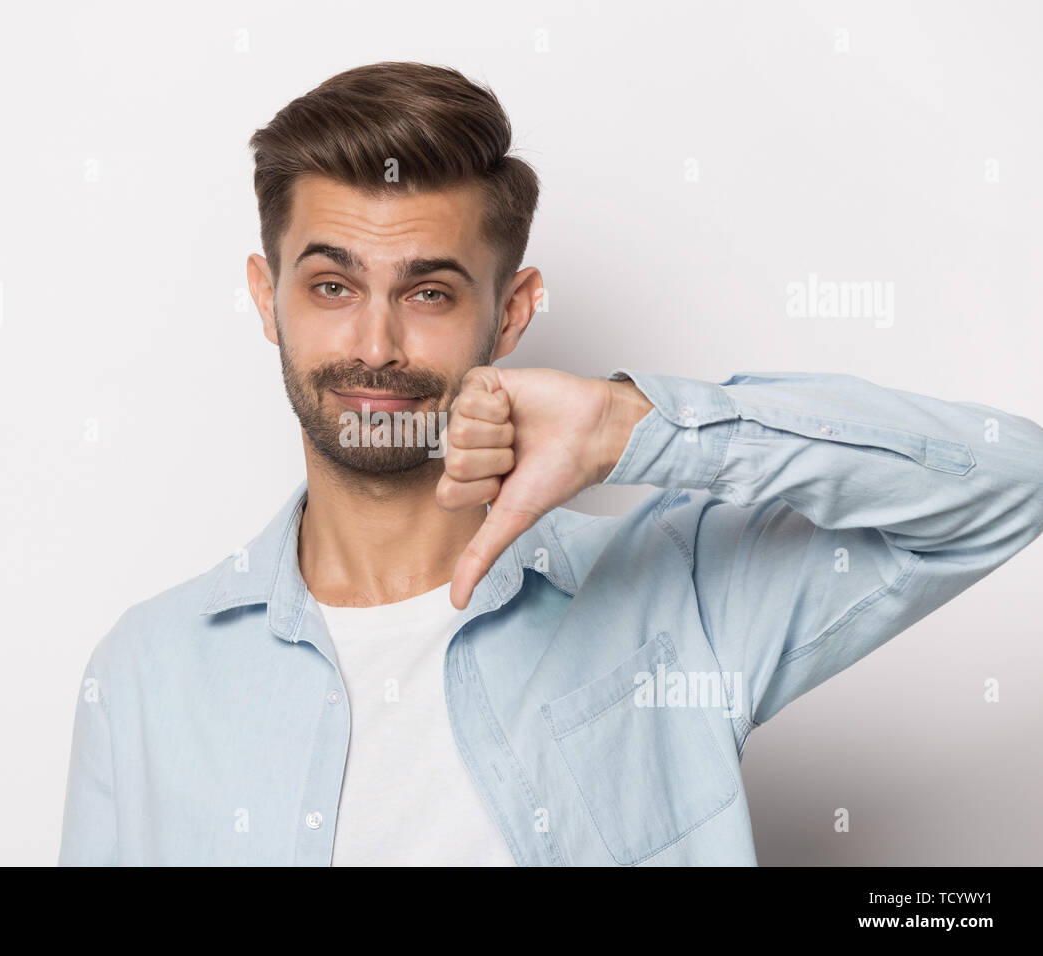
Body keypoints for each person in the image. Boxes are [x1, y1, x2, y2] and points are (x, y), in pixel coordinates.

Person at [58, 61, 1043, 866]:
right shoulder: (146, 671)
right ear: (266, 297)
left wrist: (635, 422)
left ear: (512, 311)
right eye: (330, 284)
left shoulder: (673, 602)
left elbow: (1007, 482)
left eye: (430, 292)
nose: (376, 342)